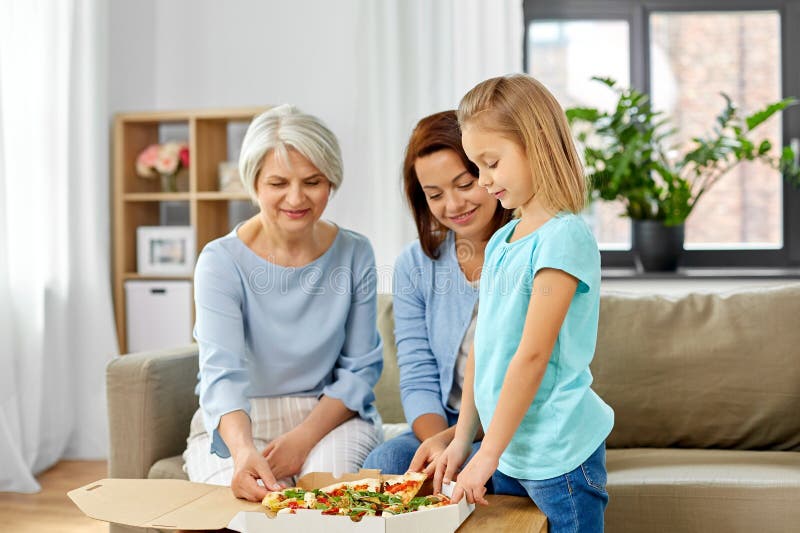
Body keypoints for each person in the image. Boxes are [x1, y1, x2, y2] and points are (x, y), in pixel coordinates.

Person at [432, 75, 614, 532]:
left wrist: (485, 456)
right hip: (510, 451)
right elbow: (484, 348)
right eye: (477, 166)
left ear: (536, 144)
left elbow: (532, 356)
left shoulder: (564, 238)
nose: (484, 180)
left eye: (491, 162)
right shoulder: (501, 243)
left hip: (559, 456)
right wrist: (464, 439)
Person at [183, 105, 383, 503]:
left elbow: (361, 369)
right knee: (241, 515)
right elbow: (221, 374)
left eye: (312, 181)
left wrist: (304, 437)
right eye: (278, 182)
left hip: (329, 418)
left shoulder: (355, 252)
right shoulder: (220, 261)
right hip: (240, 420)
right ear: (253, 183)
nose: (296, 198)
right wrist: (243, 452)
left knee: (329, 509)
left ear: (331, 182)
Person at [362, 110, 511, 475]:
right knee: (384, 462)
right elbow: (418, 375)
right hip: (447, 424)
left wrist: (465, 443)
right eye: (435, 194)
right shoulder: (414, 264)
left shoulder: (525, 248)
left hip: (513, 424)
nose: (453, 205)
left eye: (464, 184)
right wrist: (441, 446)